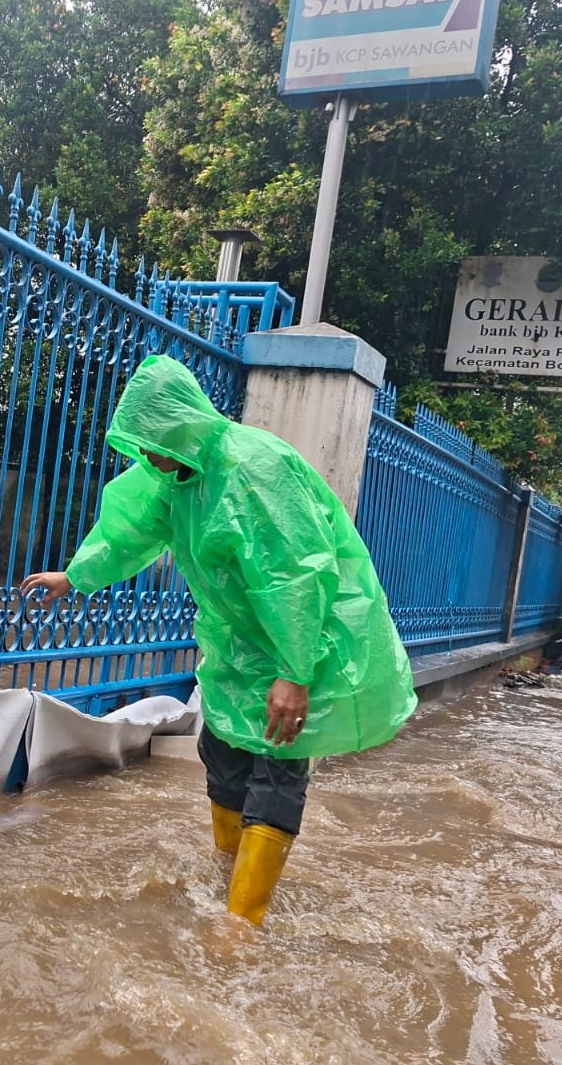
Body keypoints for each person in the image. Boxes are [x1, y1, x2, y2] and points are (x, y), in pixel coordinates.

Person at [21, 355, 416, 928]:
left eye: (152, 439)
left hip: (300, 643)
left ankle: (242, 925)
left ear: (181, 424)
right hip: (236, 649)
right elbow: (129, 531)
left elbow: (294, 574)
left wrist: (295, 671)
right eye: (141, 443)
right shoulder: (172, 476)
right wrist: (75, 575)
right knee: (224, 756)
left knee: (277, 767)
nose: (147, 455)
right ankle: (225, 880)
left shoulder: (257, 468)